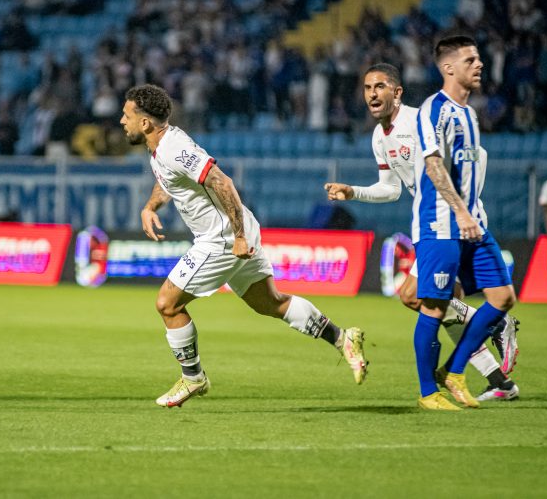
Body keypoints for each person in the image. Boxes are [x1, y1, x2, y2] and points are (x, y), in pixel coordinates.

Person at [120, 84, 368, 408]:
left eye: (126, 116)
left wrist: (237, 236)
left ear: (145, 123)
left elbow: (222, 182)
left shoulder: (171, 147)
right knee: (270, 303)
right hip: (237, 231)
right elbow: (169, 181)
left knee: (168, 304)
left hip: (222, 237)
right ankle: (342, 337)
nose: (121, 121)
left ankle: (193, 377)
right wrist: (151, 206)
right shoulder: (162, 147)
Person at [325, 63, 519, 403]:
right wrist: (353, 191)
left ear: (397, 93)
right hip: (434, 224)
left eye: (380, 86)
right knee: (433, 305)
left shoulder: (420, 122)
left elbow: (479, 155)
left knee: (419, 299)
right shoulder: (379, 137)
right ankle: (499, 380)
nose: (372, 93)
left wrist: (464, 207)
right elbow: (391, 190)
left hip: (453, 223)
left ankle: (493, 329)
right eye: (367, 87)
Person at [410, 36, 516, 410]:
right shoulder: (433, 110)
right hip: (441, 225)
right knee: (435, 308)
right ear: (448, 68)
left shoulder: (469, 114)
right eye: (471, 60)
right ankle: (428, 393)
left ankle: (454, 373)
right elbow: (433, 165)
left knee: (503, 297)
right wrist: (459, 211)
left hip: (473, 224)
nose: (479, 65)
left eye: (479, 59)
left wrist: (472, 215)